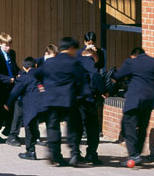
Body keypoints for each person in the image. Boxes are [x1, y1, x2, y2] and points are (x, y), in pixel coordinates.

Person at [111, 47, 154, 166]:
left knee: (128, 125)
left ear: (134, 55)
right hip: (149, 101)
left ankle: (134, 155)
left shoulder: (132, 62)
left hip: (134, 100)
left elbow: (118, 75)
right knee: (142, 127)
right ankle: (137, 154)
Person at [37, 36, 86, 167]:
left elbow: (36, 74)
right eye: (75, 49)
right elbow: (81, 80)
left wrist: (42, 87)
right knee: (73, 127)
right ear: (70, 48)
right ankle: (74, 153)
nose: (75, 52)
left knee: (53, 127)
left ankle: (54, 154)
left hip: (51, 99)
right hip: (69, 99)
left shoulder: (50, 62)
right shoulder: (74, 62)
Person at [7, 57, 47, 161]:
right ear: (36, 66)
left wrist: (8, 103)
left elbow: (14, 92)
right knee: (34, 127)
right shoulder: (40, 75)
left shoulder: (24, 77)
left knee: (29, 128)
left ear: (24, 68)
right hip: (42, 105)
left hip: (30, 106)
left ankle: (30, 151)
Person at [77, 48, 105, 165]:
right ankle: (91, 154)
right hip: (89, 102)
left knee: (77, 128)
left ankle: (76, 154)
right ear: (93, 57)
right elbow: (95, 77)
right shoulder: (90, 65)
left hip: (76, 102)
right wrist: (104, 90)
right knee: (93, 129)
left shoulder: (76, 64)